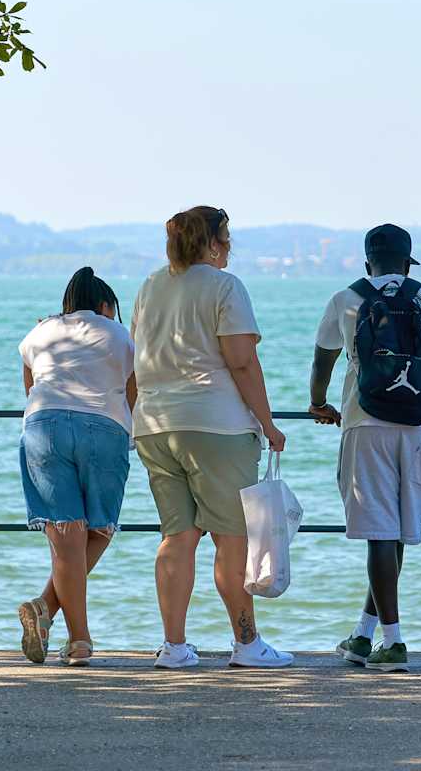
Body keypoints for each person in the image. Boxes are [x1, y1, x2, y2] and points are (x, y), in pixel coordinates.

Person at [131, 206, 292, 669]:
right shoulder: (225, 287)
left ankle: (175, 648)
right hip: (216, 426)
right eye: (227, 237)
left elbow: (138, 354)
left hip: (156, 425)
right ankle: (247, 645)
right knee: (230, 538)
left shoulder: (150, 286)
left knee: (177, 536)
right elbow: (241, 361)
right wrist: (268, 423)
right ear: (214, 242)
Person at [307, 224, 421, 672]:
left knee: (380, 533)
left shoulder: (346, 298)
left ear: (367, 264)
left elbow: (324, 358)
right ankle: (363, 635)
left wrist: (318, 402)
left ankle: (392, 642)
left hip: (366, 426)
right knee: (395, 532)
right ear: (407, 262)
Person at [17, 267, 137, 667]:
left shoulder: (41, 331)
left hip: (44, 426)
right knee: (99, 529)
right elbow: (132, 389)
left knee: (66, 536)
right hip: (103, 427)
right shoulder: (117, 333)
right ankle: (66, 628)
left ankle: (61, 623)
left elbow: (30, 385)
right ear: (105, 306)